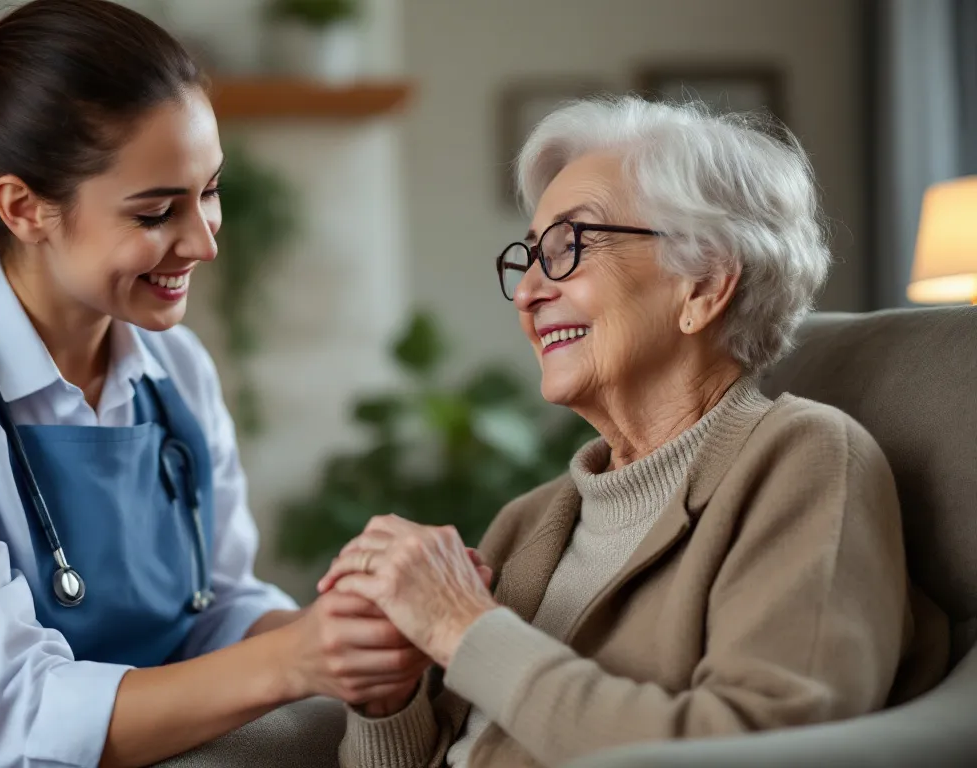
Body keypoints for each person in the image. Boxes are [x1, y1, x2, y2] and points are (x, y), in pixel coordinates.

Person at [0, 2, 432, 767]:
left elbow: (214, 611)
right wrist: (294, 661)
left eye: (209, 191)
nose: (204, 242)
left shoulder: (175, 371)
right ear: (24, 207)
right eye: (156, 211)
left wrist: (348, 632)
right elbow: (5, 710)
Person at [316, 96, 950, 768]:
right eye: (527, 257)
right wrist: (387, 696)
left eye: (570, 248)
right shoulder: (528, 524)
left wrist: (462, 629)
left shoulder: (805, 460)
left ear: (702, 286)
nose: (527, 291)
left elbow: (762, 744)